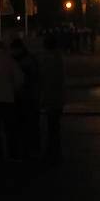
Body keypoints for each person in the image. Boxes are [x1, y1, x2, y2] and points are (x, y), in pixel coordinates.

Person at [0, 40, 24, 160]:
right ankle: (12, 154)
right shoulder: (10, 61)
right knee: (10, 130)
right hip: (8, 99)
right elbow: (20, 80)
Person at [11, 39, 41, 160]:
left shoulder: (25, 61)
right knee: (27, 124)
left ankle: (29, 149)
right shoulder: (27, 59)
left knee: (27, 124)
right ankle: (29, 148)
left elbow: (30, 78)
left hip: (27, 97)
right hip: (25, 97)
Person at [39, 33, 67, 162]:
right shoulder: (58, 58)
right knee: (54, 127)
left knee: (52, 127)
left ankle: (53, 152)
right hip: (57, 98)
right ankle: (55, 151)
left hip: (52, 99)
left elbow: (46, 80)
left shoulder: (49, 59)